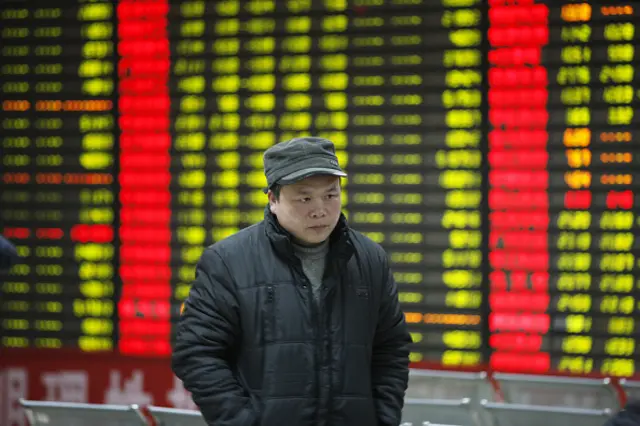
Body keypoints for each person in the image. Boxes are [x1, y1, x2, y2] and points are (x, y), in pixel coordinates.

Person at [172, 136, 412, 426]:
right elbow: (197, 353)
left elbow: (391, 349)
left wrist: (383, 419)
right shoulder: (228, 261)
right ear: (273, 199)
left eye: (331, 195)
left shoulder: (370, 260)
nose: (320, 209)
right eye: (305, 198)